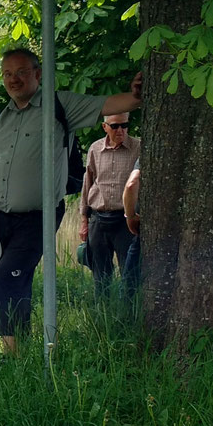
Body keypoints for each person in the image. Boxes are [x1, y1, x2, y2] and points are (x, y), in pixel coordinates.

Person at [0, 48, 139, 355]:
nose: (14, 79)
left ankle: (12, 354)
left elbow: (108, 105)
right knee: (2, 279)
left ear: (37, 74)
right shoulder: (4, 115)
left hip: (39, 215)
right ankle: (16, 351)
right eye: (8, 74)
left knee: (7, 276)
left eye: (22, 72)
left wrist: (135, 96)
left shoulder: (58, 104)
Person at [121, 165, 213, 288]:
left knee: (132, 285)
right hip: (200, 244)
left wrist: (130, 216)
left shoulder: (158, 174)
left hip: (155, 239)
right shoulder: (212, 182)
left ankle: (128, 313)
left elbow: (131, 185)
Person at [79, 114, 141, 301]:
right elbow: (88, 181)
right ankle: (102, 315)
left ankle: (129, 316)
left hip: (126, 220)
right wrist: (84, 220)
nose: (120, 130)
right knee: (100, 275)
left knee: (130, 275)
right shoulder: (95, 148)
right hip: (98, 218)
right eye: (115, 126)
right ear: (105, 127)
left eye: (125, 125)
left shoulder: (139, 147)